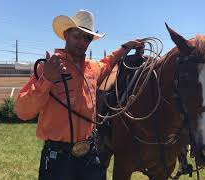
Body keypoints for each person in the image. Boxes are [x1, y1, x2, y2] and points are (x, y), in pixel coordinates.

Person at [15, 9, 143, 180]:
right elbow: (23, 112)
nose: (82, 41)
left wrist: (125, 48)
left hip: (89, 153)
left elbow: (108, 62)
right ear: (66, 34)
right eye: (77, 35)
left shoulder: (92, 68)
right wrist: (46, 79)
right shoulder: (48, 67)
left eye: (87, 38)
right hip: (58, 157)